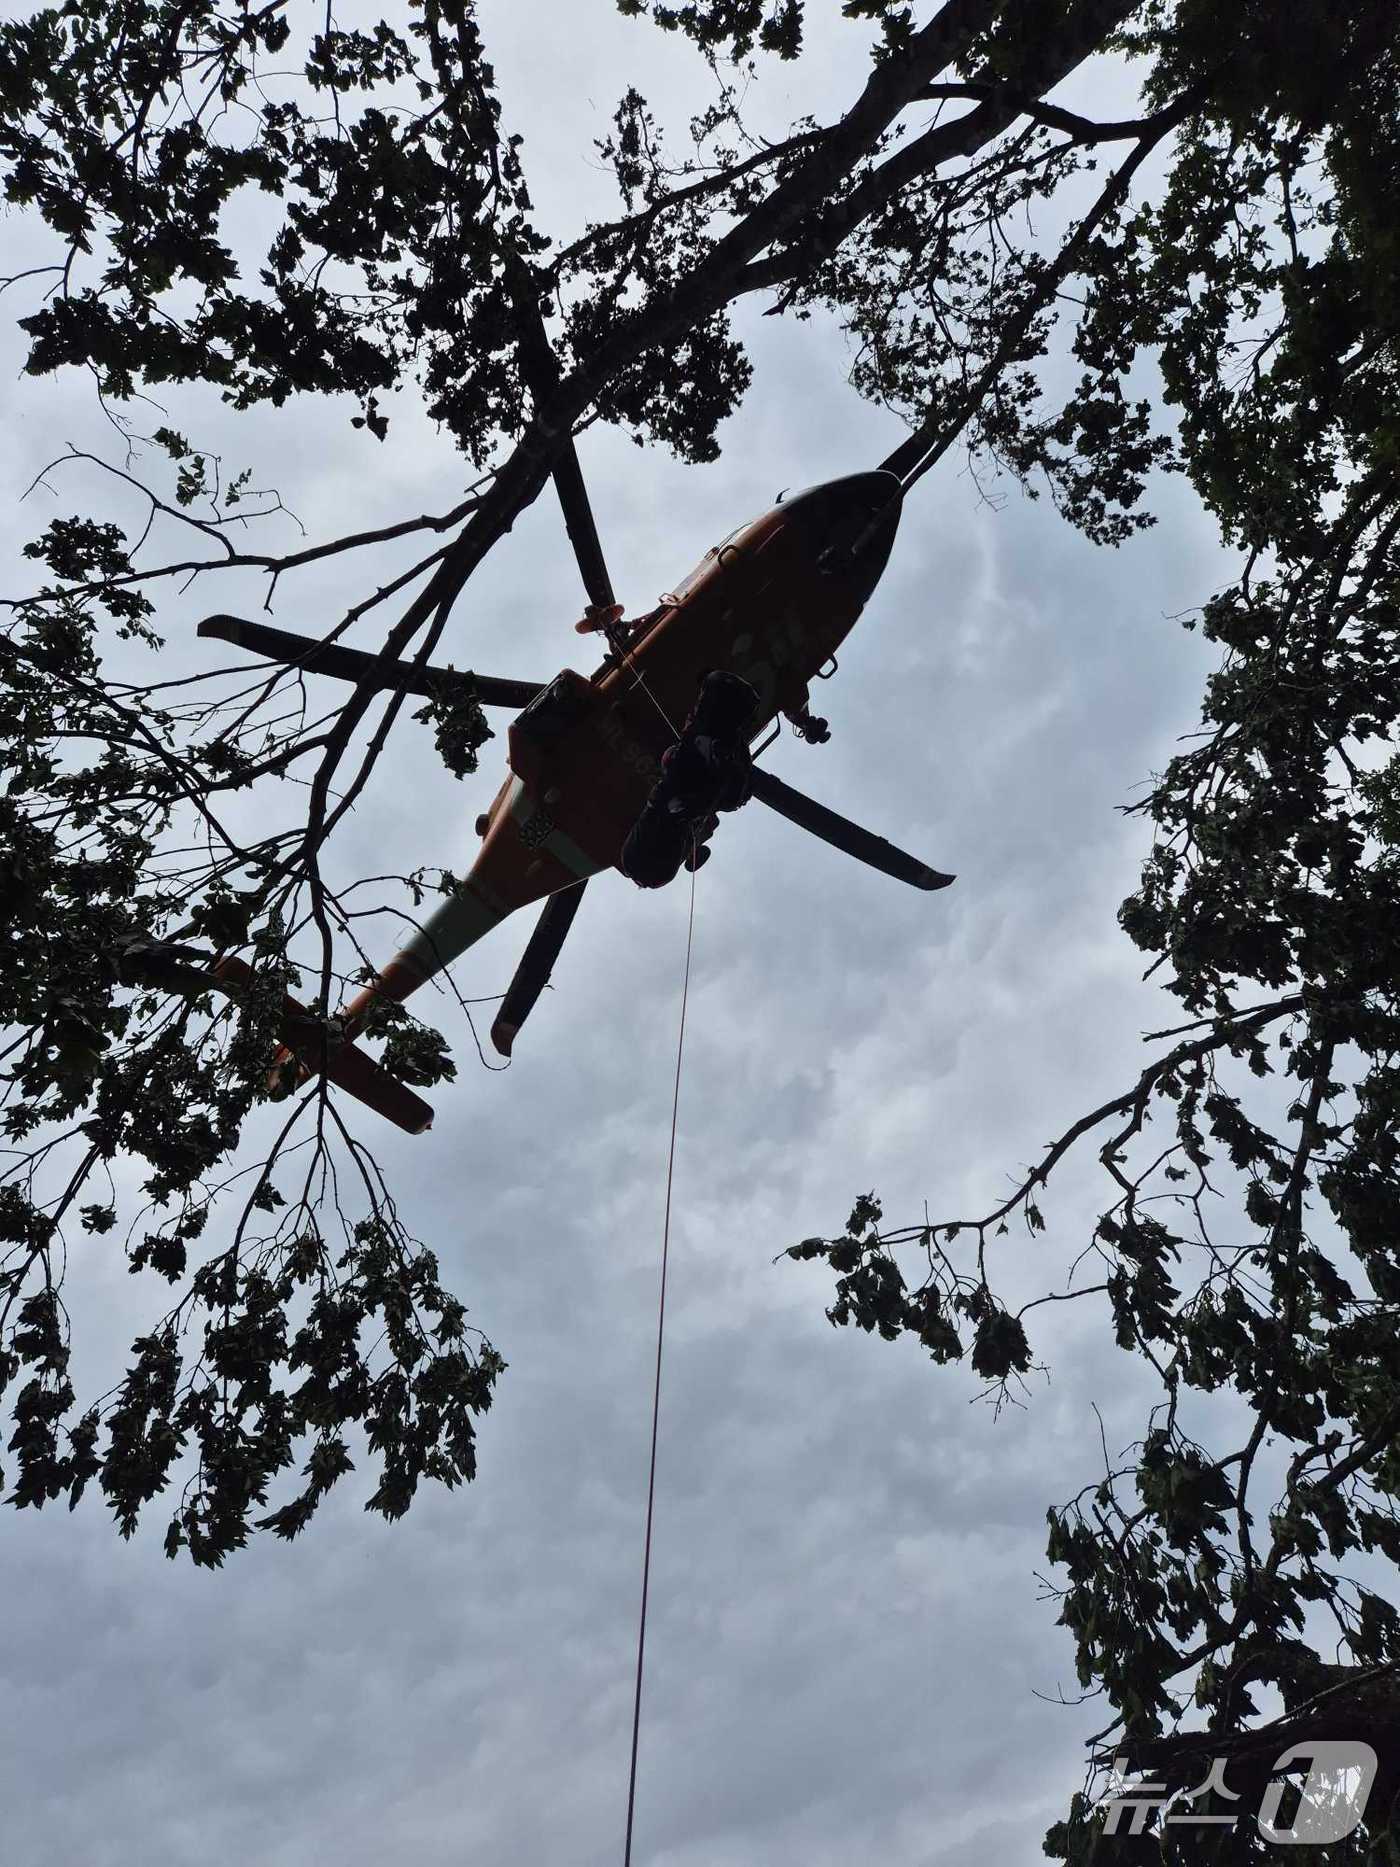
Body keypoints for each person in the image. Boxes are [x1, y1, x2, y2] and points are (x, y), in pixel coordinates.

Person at [620, 670, 759, 888]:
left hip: (686, 791)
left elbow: (660, 810)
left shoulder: (646, 863)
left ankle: (723, 713)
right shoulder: (640, 861)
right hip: (684, 791)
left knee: (702, 772)